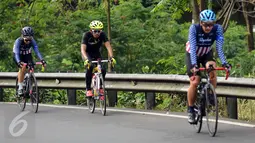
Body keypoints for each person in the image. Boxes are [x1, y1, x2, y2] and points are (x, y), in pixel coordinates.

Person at [185, 9, 231, 124]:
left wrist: (225, 63)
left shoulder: (218, 29)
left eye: (211, 25)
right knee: (195, 81)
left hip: (206, 53)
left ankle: (210, 95)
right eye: (206, 25)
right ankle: (191, 109)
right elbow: (193, 48)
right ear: (201, 23)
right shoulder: (194, 29)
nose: (208, 28)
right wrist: (195, 66)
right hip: (192, 54)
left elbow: (219, 49)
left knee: (212, 69)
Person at [81, 20, 116, 98]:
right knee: (90, 67)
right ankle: (88, 89)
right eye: (95, 31)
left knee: (102, 69)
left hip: (97, 53)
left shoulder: (102, 35)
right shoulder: (86, 35)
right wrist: (86, 59)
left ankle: (100, 87)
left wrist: (111, 57)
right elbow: (82, 49)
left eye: (99, 31)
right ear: (91, 31)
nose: (97, 33)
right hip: (87, 54)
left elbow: (108, 46)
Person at [13, 26, 47, 96]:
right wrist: (19, 62)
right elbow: (16, 53)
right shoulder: (18, 41)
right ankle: (20, 87)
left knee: (31, 67)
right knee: (22, 68)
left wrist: (42, 60)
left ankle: (30, 85)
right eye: (26, 40)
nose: (28, 42)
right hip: (18, 56)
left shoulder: (32, 41)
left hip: (27, 55)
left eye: (30, 40)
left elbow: (37, 51)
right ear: (22, 37)